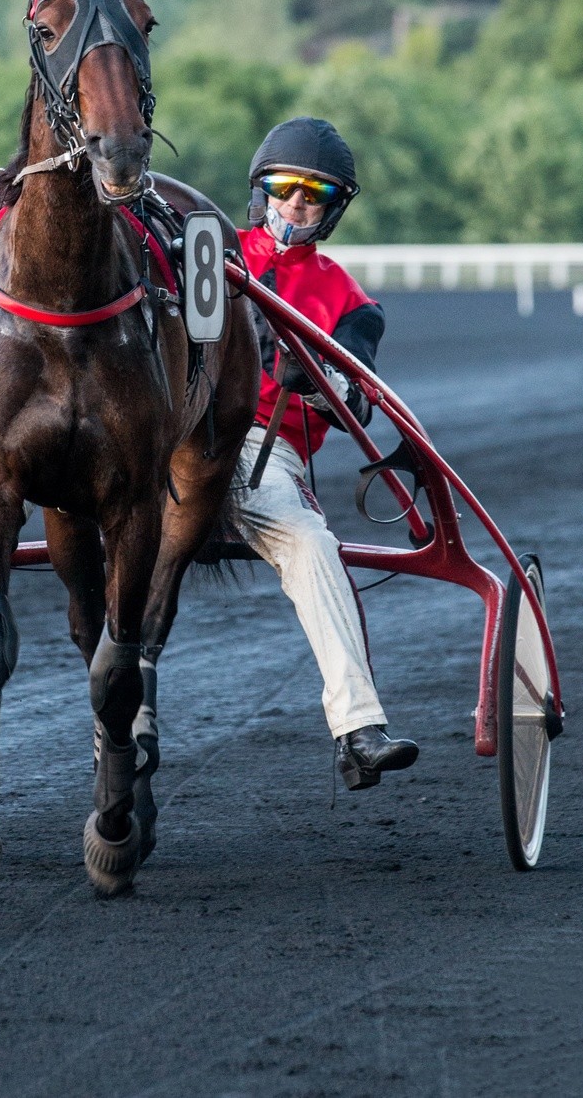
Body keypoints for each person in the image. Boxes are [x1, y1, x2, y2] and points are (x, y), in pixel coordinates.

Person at [235, 116, 418, 790]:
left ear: (332, 210)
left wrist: (316, 379)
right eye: (285, 187)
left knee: (313, 545)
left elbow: (356, 400)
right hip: (163, 433)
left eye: (314, 194)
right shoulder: (206, 250)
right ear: (262, 189)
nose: (295, 203)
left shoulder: (349, 301)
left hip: (261, 451)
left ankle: (358, 728)